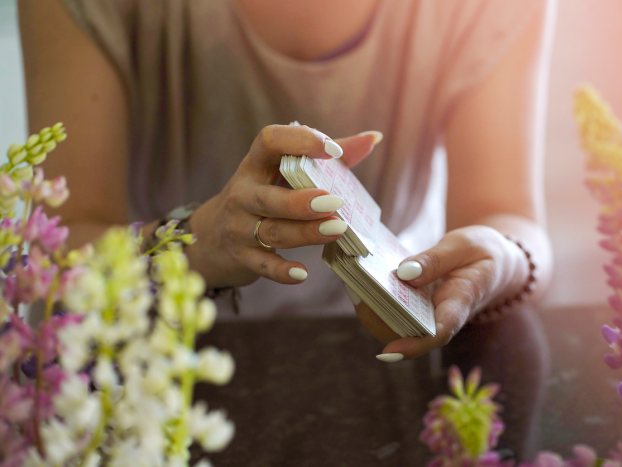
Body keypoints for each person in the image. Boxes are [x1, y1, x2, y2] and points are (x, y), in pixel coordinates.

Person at [19, 0, 554, 454]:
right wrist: (199, 242)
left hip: (388, 352)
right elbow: (56, 259)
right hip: (149, 365)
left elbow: (508, 217)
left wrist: (502, 260)